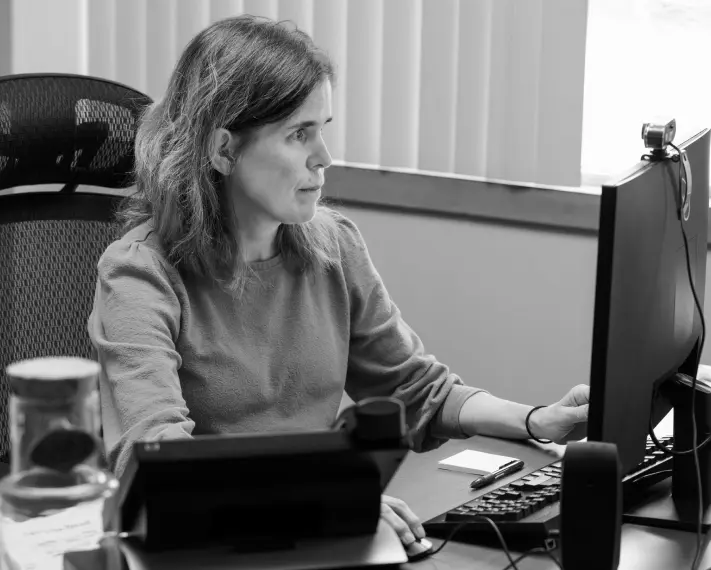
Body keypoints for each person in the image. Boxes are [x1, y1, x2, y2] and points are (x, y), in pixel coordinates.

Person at [88, 14, 589, 550]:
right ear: (224, 150)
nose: (324, 157)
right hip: (201, 543)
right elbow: (159, 458)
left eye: (322, 128)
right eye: (299, 134)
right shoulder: (139, 275)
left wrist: (538, 420)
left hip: (309, 534)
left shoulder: (332, 245)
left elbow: (413, 389)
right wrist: (322, 499)